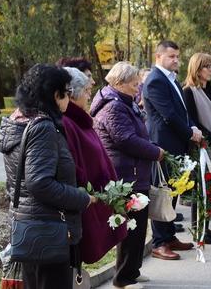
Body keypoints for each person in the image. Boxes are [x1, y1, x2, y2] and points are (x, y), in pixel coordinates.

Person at [0, 64, 95, 289]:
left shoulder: (18, 121)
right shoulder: (43, 128)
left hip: (30, 226)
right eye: (66, 94)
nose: (68, 101)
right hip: (48, 229)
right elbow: (40, 183)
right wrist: (82, 198)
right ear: (54, 95)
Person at [90, 62, 174, 287]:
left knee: (137, 228)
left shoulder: (124, 102)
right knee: (130, 230)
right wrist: (155, 151)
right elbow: (125, 139)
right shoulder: (113, 107)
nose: (138, 89)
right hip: (127, 176)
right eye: (134, 84)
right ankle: (123, 278)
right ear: (119, 83)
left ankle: (132, 271)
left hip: (135, 173)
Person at [59, 65, 128, 281]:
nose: (91, 95)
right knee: (72, 263)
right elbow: (73, 165)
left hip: (94, 196)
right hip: (84, 199)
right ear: (72, 93)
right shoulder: (69, 122)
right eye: (88, 91)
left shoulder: (80, 118)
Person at [142, 40, 201, 261]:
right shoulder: (155, 81)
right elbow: (168, 115)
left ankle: (169, 236)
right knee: (163, 194)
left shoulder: (171, 79)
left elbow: (182, 111)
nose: (176, 60)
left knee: (174, 192)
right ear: (158, 57)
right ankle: (159, 243)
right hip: (163, 144)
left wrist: (192, 127)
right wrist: (190, 133)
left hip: (177, 143)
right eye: (171, 56)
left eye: (177, 56)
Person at [181, 52, 211, 243]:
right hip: (200, 145)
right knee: (202, 187)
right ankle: (197, 228)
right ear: (196, 69)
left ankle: (206, 227)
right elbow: (193, 120)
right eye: (206, 66)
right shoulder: (189, 91)